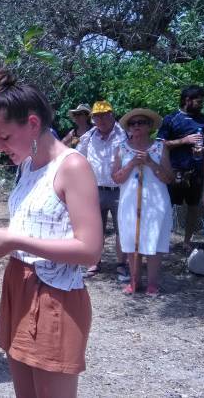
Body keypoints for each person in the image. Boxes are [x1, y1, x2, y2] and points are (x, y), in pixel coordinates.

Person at [0, 70, 101, 398]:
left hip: (55, 293)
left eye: (4, 137)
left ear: (32, 123)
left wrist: (14, 241)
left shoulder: (72, 166)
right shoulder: (27, 166)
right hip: (19, 283)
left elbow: (89, 249)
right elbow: (36, 227)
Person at [112, 109, 173, 295]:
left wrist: (150, 163)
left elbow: (169, 178)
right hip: (130, 202)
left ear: (149, 126)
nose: (136, 126)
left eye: (140, 122)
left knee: (154, 239)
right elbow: (116, 178)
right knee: (131, 240)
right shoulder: (121, 148)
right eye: (132, 123)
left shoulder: (160, 147)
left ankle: (152, 283)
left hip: (155, 201)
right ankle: (134, 280)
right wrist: (131, 164)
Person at [77, 100, 127, 279]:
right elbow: (78, 158)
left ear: (112, 115)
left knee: (122, 228)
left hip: (119, 190)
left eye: (105, 115)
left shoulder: (124, 134)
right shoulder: (88, 137)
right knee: (96, 228)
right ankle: (94, 262)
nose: (102, 119)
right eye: (98, 116)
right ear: (93, 119)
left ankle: (122, 264)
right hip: (95, 189)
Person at [157, 86, 204, 249]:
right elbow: (160, 145)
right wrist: (184, 140)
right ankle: (162, 240)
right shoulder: (171, 119)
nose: (201, 104)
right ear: (187, 100)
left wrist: (203, 149)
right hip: (174, 172)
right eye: (199, 101)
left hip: (196, 172)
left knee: (194, 207)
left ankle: (187, 241)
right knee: (166, 206)